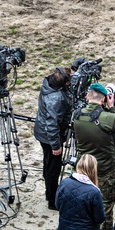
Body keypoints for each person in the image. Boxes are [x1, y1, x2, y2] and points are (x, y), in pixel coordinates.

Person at [72, 82, 115, 230]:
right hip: (105, 168)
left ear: (88, 96)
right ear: (104, 99)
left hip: (83, 166)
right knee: (106, 203)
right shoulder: (108, 117)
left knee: (84, 200)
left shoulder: (76, 114)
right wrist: (112, 108)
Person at [33, 65, 73, 209]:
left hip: (43, 132)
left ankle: (50, 192)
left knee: (48, 163)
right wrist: (56, 145)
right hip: (50, 136)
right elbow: (52, 124)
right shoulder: (55, 99)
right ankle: (52, 199)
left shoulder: (49, 83)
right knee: (53, 168)